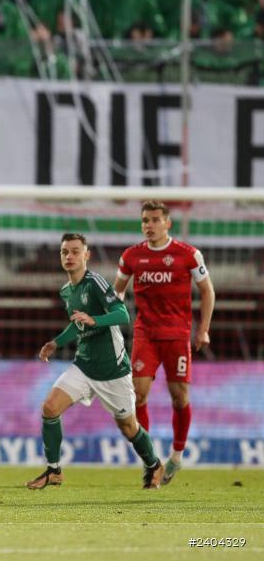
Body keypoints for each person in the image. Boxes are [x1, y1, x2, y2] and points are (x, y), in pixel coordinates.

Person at [27, 233, 163, 490]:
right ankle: (54, 470)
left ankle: (154, 464)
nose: (69, 256)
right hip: (84, 365)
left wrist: (95, 320)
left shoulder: (96, 283)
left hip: (112, 369)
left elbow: (122, 314)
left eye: (75, 251)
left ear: (86, 255)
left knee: (129, 427)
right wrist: (56, 343)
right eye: (65, 252)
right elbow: (78, 325)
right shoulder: (67, 291)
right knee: (49, 408)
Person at [114, 201, 215, 486]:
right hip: (145, 334)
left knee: (180, 398)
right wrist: (109, 322)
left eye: (155, 220)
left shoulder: (188, 255)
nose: (149, 225)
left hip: (177, 336)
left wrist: (203, 330)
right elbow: (116, 294)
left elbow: (208, 292)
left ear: (167, 223)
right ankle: (151, 462)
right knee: (138, 395)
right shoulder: (132, 256)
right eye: (145, 220)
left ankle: (176, 456)